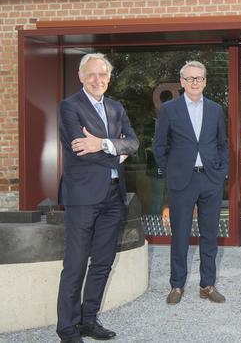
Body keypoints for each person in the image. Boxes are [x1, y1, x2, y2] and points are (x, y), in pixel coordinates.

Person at [56, 53, 139, 343]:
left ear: (108, 77)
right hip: (82, 197)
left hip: (113, 196)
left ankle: (88, 321)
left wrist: (102, 144)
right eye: (91, 74)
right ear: (81, 77)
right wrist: (118, 152)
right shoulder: (69, 107)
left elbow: (135, 141)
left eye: (102, 74)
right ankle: (67, 329)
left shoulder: (116, 107)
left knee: (102, 262)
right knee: (76, 263)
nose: (97, 79)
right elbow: (79, 147)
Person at [153, 60, 229, 305]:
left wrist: (220, 171)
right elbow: (160, 145)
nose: (195, 82)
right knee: (180, 235)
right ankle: (177, 285)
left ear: (205, 81)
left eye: (199, 78)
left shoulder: (216, 109)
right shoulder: (169, 109)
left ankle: (207, 285)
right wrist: (170, 171)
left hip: (210, 179)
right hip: (181, 181)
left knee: (209, 234)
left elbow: (221, 144)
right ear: (182, 82)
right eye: (190, 78)